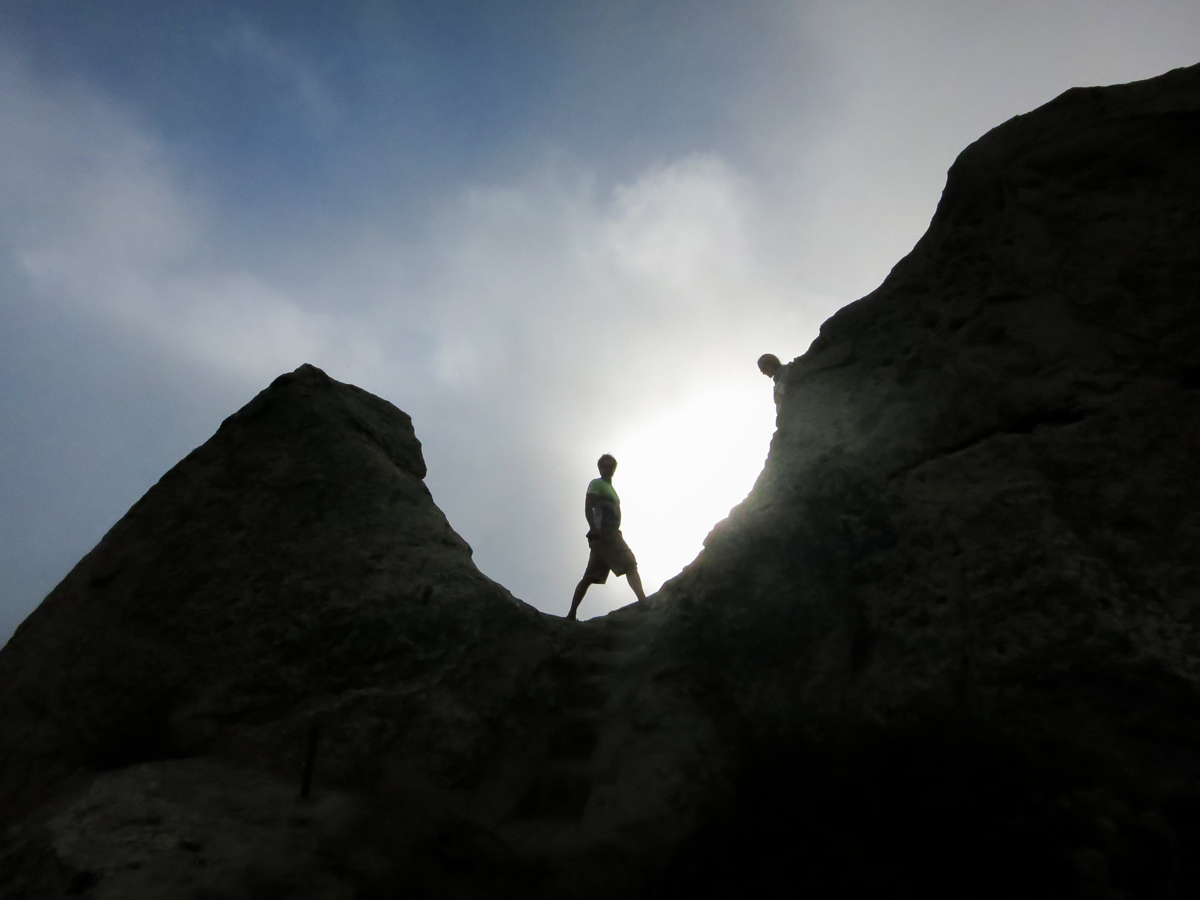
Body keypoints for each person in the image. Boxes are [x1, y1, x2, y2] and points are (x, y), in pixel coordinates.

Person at [567, 454, 647, 621]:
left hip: (603, 537)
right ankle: (643, 601)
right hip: (606, 533)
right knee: (630, 564)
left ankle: (572, 613)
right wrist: (594, 528)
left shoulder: (611, 489)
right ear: (600, 468)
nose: (608, 469)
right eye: (605, 466)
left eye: (611, 466)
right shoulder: (597, 484)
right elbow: (588, 507)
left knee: (589, 577)